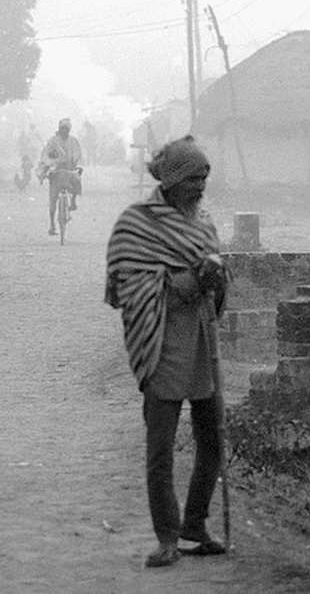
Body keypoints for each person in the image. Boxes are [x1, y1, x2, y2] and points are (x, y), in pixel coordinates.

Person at [105, 135, 229, 568]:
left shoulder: (205, 224)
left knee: (212, 438)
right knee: (159, 449)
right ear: (173, 181)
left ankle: (195, 523)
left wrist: (215, 278)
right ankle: (167, 537)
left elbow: (215, 287)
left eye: (204, 179)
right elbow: (133, 286)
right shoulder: (136, 224)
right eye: (193, 179)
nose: (200, 188)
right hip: (160, 344)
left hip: (202, 343)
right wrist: (190, 280)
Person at [37, 118, 83, 236]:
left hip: (70, 170)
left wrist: (78, 166)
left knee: (77, 179)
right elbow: (47, 155)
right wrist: (50, 164)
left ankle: (73, 201)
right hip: (56, 171)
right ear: (59, 129)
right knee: (52, 200)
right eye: (63, 128)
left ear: (69, 129)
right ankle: (52, 225)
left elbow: (78, 155)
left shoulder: (73, 141)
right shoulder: (53, 141)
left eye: (67, 128)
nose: (64, 131)